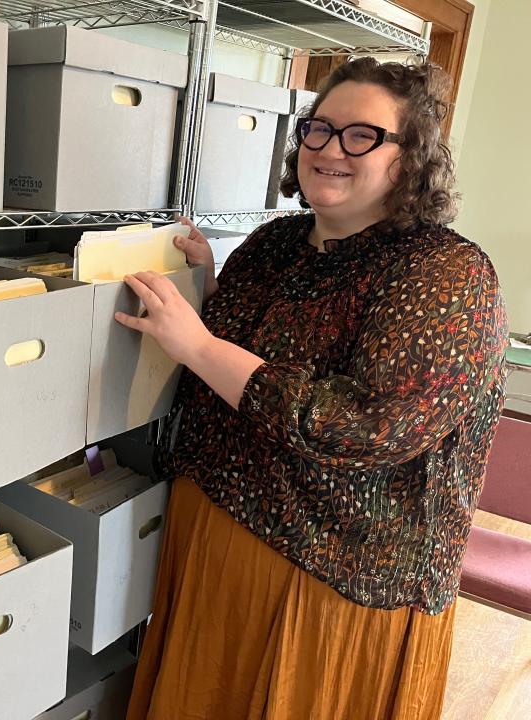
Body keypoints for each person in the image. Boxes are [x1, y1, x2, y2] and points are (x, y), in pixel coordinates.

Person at [115, 57, 510, 720]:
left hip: (331, 575)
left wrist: (201, 345)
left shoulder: (446, 270)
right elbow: (243, 353)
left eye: (363, 135)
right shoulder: (276, 243)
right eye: (320, 129)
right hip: (214, 531)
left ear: (412, 157)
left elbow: (369, 427)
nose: (329, 149)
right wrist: (204, 290)